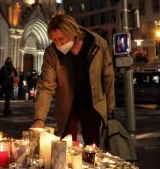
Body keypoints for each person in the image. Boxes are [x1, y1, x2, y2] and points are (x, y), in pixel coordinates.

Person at [32, 14, 115, 146]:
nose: (58, 43)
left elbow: (108, 77)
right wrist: (39, 119)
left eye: (61, 38)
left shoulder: (97, 44)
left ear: (72, 33)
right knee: (67, 148)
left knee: (93, 148)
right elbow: (45, 86)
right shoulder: (52, 52)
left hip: (93, 105)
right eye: (54, 39)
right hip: (67, 107)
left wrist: (110, 109)